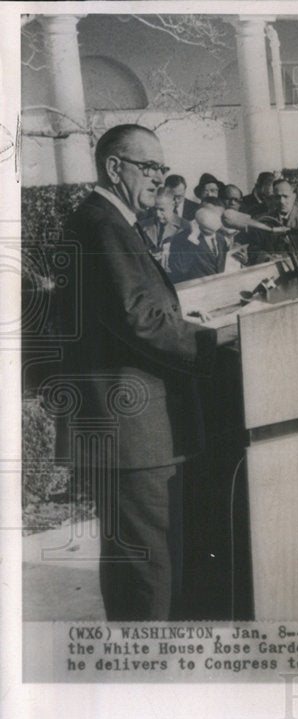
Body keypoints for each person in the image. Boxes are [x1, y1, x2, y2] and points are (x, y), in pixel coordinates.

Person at [56, 123, 222, 620]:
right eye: (150, 166)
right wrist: (214, 341)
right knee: (146, 563)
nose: (160, 177)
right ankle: (145, 682)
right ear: (115, 166)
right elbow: (138, 317)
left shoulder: (105, 218)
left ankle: (135, 671)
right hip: (131, 427)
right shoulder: (104, 222)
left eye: (162, 168)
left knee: (133, 558)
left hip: (123, 425)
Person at [166, 206, 228, 283]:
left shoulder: (220, 239)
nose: (211, 235)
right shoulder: (182, 238)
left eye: (212, 232)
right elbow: (179, 269)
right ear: (196, 224)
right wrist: (193, 239)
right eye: (206, 232)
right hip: (195, 288)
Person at [139, 186, 191, 262]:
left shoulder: (186, 227)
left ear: (173, 205)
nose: (157, 214)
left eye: (162, 210)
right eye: (154, 209)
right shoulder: (142, 225)